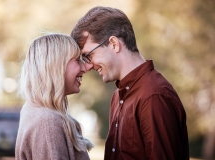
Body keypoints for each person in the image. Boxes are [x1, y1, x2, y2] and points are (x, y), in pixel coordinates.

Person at [71, 6, 189, 160]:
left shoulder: (154, 96)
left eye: (88, 56)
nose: (88, 66)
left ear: (114, 43)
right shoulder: (118, 96)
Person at [15, 33, 93, 160]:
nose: (84, 68)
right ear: (56, 65)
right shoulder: (47, 122)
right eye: (78, 60)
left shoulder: (35, 111)